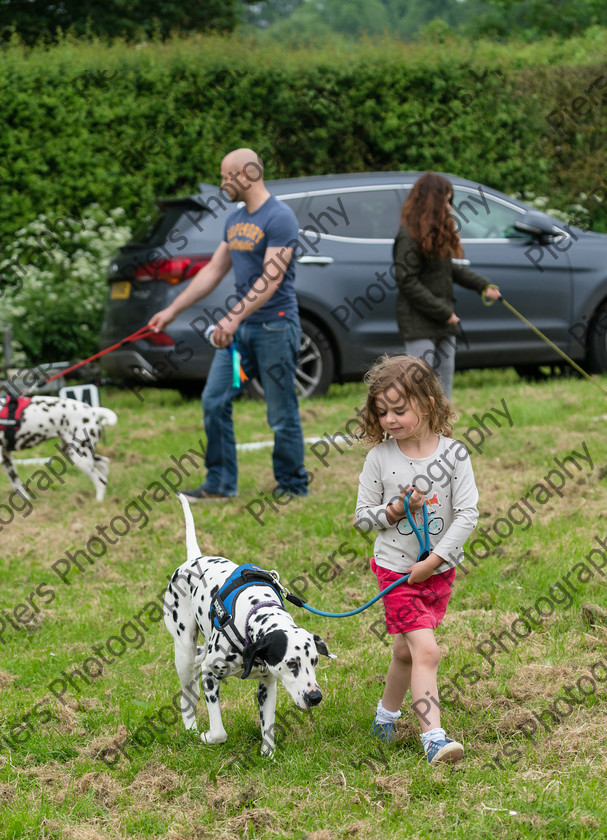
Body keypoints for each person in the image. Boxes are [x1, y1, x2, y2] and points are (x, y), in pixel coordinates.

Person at [149, 147, 308, 500]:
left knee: (281, 412)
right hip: (241, 331)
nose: (222, 183)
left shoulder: (279, 218)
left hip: (276, 327)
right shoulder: (235, 220)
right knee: (213, 400)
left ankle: (293, 486)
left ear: (247, 175)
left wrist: (233, 317)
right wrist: (171, 310)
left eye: (226, 176)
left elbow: (271, 279)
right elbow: (213, 271)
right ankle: (220, 484)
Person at [355, 354, 479, 764]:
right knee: (427, 650)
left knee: (406, 652)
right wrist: (391, 512)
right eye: (382, 411)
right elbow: (361, 517)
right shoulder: (380, 459)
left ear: (426, 404)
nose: (389, 419)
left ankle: (384, 718)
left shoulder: (455, 455)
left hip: (437, 572)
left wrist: (436, 560)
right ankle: (435, 739)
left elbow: (467, 514)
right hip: (395, 573)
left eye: (399, 409)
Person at [393, 172, 501, 399]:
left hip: (444, 322)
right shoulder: (408, 236)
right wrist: (444, 313)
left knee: (444, 394)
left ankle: (443, 434)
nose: (449, 207)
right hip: (419, 322)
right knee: (419, 392)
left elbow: (449, 270)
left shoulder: (437, 234)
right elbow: (407, 281)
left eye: (450, 201)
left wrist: (484, 286)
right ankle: (419, 435)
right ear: (430, 202)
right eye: (445, 200)